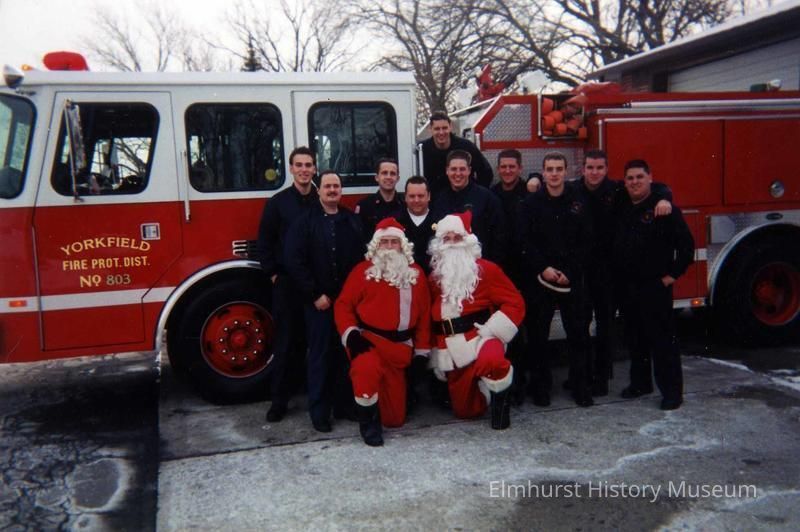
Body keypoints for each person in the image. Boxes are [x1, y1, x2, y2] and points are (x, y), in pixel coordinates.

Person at [335, 218, 432, 446]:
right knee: (365, 369)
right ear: (376, 246)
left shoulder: (416, 274)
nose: (389, 247)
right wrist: (351, 334)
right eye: (384, 242)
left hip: (400, 349)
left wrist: (421, 352)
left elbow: (424, 317)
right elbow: (343, 305)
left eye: (393, 242)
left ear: (402, 245)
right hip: (368, 342)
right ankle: (368, 424)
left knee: (394, 420)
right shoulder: (362, 271)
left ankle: (375, 403)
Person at [428, 211, 525, 429]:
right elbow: (433, 317)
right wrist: (436, 350)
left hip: (481, 336)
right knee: (465, 411)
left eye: (457, 238)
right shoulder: (435, 277)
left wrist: (492, 330)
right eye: (447, 239)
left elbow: (515, 302)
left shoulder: (487, 270)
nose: (452, 243)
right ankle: (483, 388)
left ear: (468, 241)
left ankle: (501, 406)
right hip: (453, 346)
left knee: (492, 360)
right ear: (439, 244)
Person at [285, 171, 366, 432]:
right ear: (318, 190)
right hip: (318, 303)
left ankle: (344, 406)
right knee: (319, 357)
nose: (332, 190)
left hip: (346, 304)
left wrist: (354, 298)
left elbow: (361, 261)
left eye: (336, 186)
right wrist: (314, 294)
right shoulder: (303, 222)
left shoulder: (352, 221)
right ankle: (319, 413)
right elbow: (294, 260)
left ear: (341, 190)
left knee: (345, 355)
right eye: (327, 186)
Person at [613, 159, 694, 410]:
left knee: (662, 341)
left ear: (650, 178)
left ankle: (672, 393)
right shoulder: (622, 204)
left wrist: (671, 277)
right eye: (630, 178)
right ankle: (640, 384)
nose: (634, 182)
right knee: (634, 338)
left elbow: (687, 248)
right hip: (628, 286)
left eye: (640, 177)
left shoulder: (664, 210)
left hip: (655, 287)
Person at [519, 152, 594, 408]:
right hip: (542, 278)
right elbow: (525, 241)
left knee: (578, 335)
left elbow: (587, 240)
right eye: (549, 169)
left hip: (571, 278)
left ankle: (580, 387)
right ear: (542, 172)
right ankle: (541, 389)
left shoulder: (578, 201)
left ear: (566, 171)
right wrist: (543, 268)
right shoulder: (530, 204)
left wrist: (570, 272)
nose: (554, 174)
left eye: (558, 169)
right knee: (538, 337)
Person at [256, 146, 318, 423]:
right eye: (299, 165)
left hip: (316, 285)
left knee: (316, 344)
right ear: (291, 169)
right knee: (285, 344)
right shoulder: (277, 203)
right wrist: (273, 275)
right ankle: (279, 402)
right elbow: (264, 242)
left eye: (308, 165)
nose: (304, 170)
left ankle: (317, 397)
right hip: (288, 285)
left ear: (314, 169)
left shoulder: (321, 199)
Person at [489, 149, 529, 404]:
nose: (507, 170)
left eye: (512, 166)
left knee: (521, 332)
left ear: (520, 168)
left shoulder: (531, 193)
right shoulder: (491, 195)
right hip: (499, 272)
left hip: (523, 271)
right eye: (503, 166)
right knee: (501, 331)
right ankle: (504, 384)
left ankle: (521, 385)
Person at [430, 150, 508, 264]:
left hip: (479, 264)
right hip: (447, 266)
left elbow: (499, 237)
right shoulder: (439, 200)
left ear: (469, 170)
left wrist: (489, 266)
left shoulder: (487, 198)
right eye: (453, 169)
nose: (458, 173)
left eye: (462, 169)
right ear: (447, 170)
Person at [420, 110, 493, 197]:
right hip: (435, 200)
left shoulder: (466, 146)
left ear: (450, 127)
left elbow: (486, 172)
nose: (441, 132)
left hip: (465, 198)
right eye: (437, 129)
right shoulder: (422, 150)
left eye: (444, 128)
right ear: (430, 129)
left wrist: (477, 195)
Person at [355, 158, 405, 238]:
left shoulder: (405, 204)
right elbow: (359, 237)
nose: (388, 177)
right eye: (384, 173)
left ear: (397, 178)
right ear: (377, 177)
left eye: (392, 174)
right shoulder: (364, 206)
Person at [396, 176, 436, 273]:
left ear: (429, 196)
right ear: (405, 197)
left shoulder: (440, 220)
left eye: (421, 196)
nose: (416, 200)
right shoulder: (396, 221)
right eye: (412, 196)